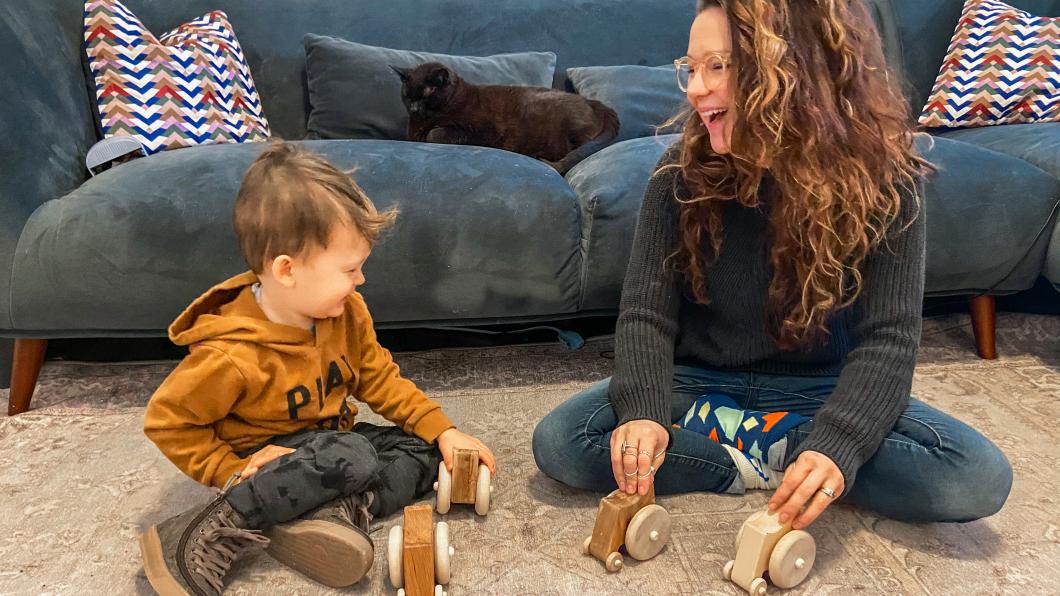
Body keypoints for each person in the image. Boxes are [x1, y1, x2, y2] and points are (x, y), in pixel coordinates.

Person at [533, 0, 1011, 529]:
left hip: (819, 390)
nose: (694, 89)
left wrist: (837, 446)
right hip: (698, 385)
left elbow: (889, 339)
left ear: (794, 72)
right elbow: (647, 313)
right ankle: (737, 465)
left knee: (975, 476)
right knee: (564, 442)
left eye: (718, 66)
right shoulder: (677, 176)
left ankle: (792, 451)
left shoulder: (888, 185)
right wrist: (645, 413)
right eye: (689, 69)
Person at [139, 142, 497, 594]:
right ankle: (210, 525)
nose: (360, 281)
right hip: (271, 458)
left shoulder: (348, 312)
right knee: (353, 456)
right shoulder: (228, 354)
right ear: (287, 270)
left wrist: (442, 431)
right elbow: (167, 422)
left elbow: (379, 378)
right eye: (350, 269)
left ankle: (325, 513)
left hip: (330, 444)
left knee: (421, 451)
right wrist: (229, 468)